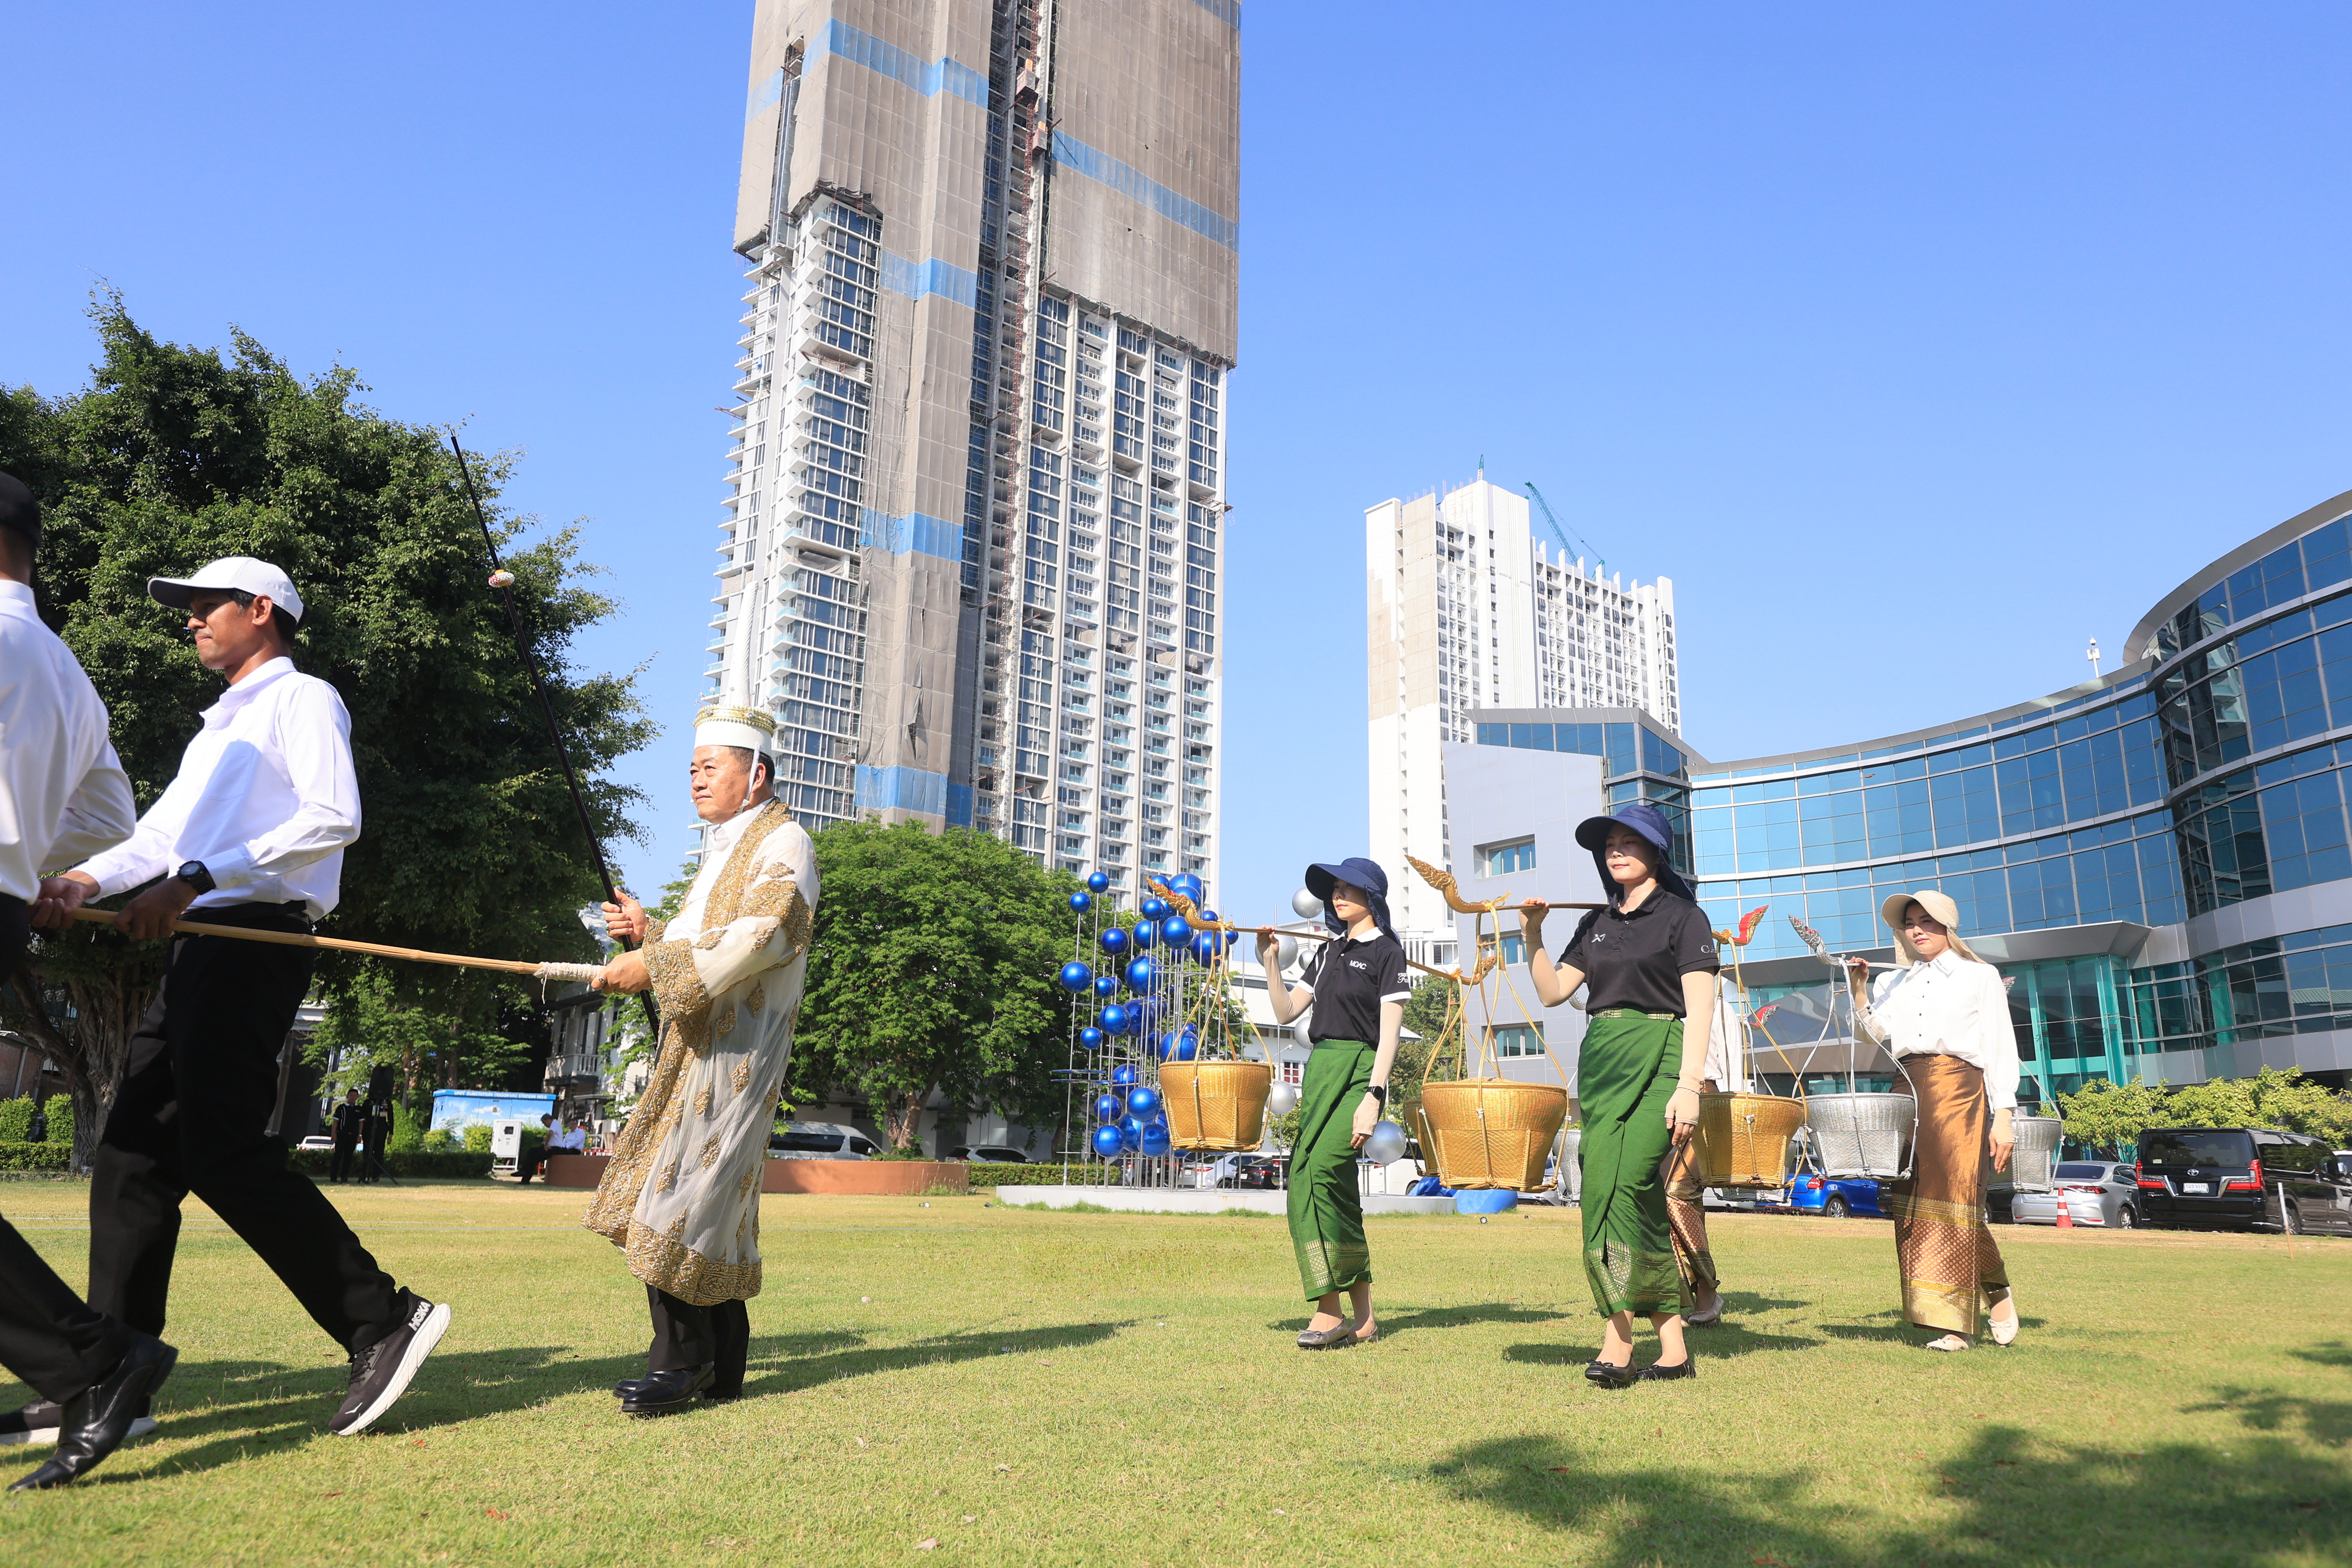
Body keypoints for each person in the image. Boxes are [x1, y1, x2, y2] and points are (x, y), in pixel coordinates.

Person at [25, 556, 449, 1439]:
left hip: (255, 937)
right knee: (132, 1155)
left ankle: (382, 1318)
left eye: (202, 605)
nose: (188, 620)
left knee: (221, 1152)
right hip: (202, 940)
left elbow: (334, 815)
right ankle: (113, 1373)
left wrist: (194, 879)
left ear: (262, 610)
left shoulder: (304, 699)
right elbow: (157, 838)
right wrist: (81, 881)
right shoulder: (217, 728)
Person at [0, 470, 178, 1491]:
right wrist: (35, 868)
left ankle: (97, 1360)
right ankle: (92, 1360)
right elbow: (113, 827)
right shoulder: (67, 671)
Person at [584, 705, 818, 1416]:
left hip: (740, 1050)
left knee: (681, 1194)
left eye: (711, 766)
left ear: (757, 776)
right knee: (713, 1202)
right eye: (693, 767)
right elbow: (701, 937)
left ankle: (679, 1363)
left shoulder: (787, 841)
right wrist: (647, 932)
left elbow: (765, 932)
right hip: (696, 1045)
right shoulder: (724, 847)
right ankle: (723, 1365)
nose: (696, 779)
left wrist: (653, 967)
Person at [1522, 802, 1718, 1387]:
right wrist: (1531, 932)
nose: (1616, 849)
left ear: (1657, 850)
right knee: (1599, 1189)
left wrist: (1689, 1086)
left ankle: (1617, 1338)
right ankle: (1673, 1344)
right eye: (1609, 843)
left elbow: (1701, 1005)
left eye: (1630, 841)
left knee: (1630, 1184)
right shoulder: (1595, 923)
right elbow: (1554, 991)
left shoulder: (1685, 917)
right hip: (1603, 1058)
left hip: (1662, 1053)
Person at [1844, 891, 2021, 1352]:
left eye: (1927, 921)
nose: (1917, 929)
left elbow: (2001, 1044)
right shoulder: (1896, 982)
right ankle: (1993, 1290)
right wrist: (1860, 989)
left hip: (1960, 1088)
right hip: (1907, 1088)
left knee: (1956, 1199)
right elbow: (1879, 1035)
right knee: (1915, 1203)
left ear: (1947, 925)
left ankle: (1956, 1325)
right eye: (1909, 923)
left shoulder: (1979, 976)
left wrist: (2004, 1114)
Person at [1255, 857, 1407, 1351]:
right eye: (1335, 889)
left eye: (1350, 889)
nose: (1338, 896)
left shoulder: (1388, 953)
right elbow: (1285, 1012)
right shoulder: (1325, 954)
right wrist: (1272, 961)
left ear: (1372, 898)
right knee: (1321, 1182)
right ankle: (1363, 1317)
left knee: (1321, 1169)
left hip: (1362, 1069)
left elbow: (1389, 1036)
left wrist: (1374, 1098)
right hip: (1322, 1069)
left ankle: (1328, 1310)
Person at [1658, 975, 1739, 1327]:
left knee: (1678, 1191)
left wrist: (1733, 1124)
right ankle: (1673, 1292)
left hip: (1703, 1101)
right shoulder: (1657, 1001)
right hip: (1655, 1102)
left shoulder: (1721, 1009)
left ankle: (1707, 1289)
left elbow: (1736, 1070)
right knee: (1657, 1198)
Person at [328, 1089, 367, 1184]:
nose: (353, 1097)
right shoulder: (342, 1108)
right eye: (351, 1095)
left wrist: (359, 1135)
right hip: (342, 1134)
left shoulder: (359, 1109)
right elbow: (336, 1121)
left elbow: (361, 1122)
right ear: (347, 1096)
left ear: (357, 1097)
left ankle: (345, 1177)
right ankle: (333, 1177)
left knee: (348, 1157)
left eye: (355, 1095)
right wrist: (334, 1134)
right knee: (338, 1156)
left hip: (353, 1136)